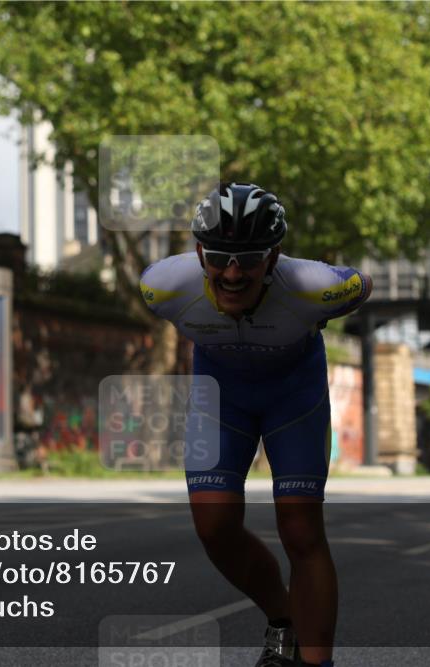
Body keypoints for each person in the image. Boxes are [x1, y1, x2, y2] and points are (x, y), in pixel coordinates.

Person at [140, 183, 373, 667]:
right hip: (222, 400)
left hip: (294, 398)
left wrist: (323, 315)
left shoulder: (313, 286)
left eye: (248, 259)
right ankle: (284, 621)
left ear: (273, 257)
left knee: (301, 529)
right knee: (213, 527)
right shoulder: (163, 286)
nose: (231, 273)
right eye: (218, 257)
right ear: (199, 253)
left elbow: (362, 285)